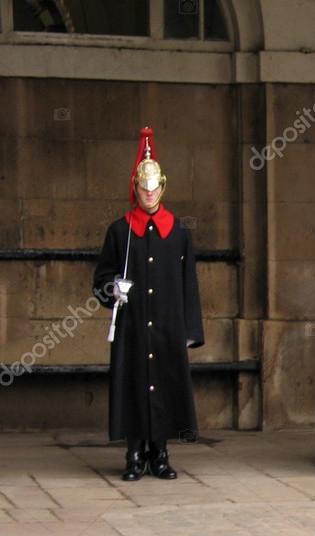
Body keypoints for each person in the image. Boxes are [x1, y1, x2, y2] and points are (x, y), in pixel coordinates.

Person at [93, 126, 204, 481]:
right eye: (144, 188)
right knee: (135, 385)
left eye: (154, 188)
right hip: (133, 324)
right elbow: (101, 280)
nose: (150, 193)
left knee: (164, 386)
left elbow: (188, 284)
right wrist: (113, 289)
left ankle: (160, 453)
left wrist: (190, 329)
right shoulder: (119, 231)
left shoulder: (179, 232)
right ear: (136, 188)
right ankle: (135, 454)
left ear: (163, 188)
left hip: (168, 325)